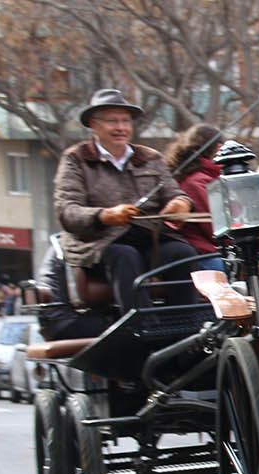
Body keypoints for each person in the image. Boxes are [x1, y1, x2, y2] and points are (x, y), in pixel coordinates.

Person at [52, 89, 199, 311]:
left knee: (183, 253)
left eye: (126, 121)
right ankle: (140, 323)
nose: (121, 128)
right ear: (93, 124)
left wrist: (181, 204)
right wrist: (105, 216)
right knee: (126, 255)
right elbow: (67, 212)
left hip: (150, 240)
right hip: (98, 245)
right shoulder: (76, 159)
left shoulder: (151, 158)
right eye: (112, 121)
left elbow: (175, 193)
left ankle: (186, 320)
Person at [164, 124, 227, 272]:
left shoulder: (200, 177)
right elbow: (216, 228)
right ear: (218, 148)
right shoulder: (198, 181)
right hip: (204, 253)